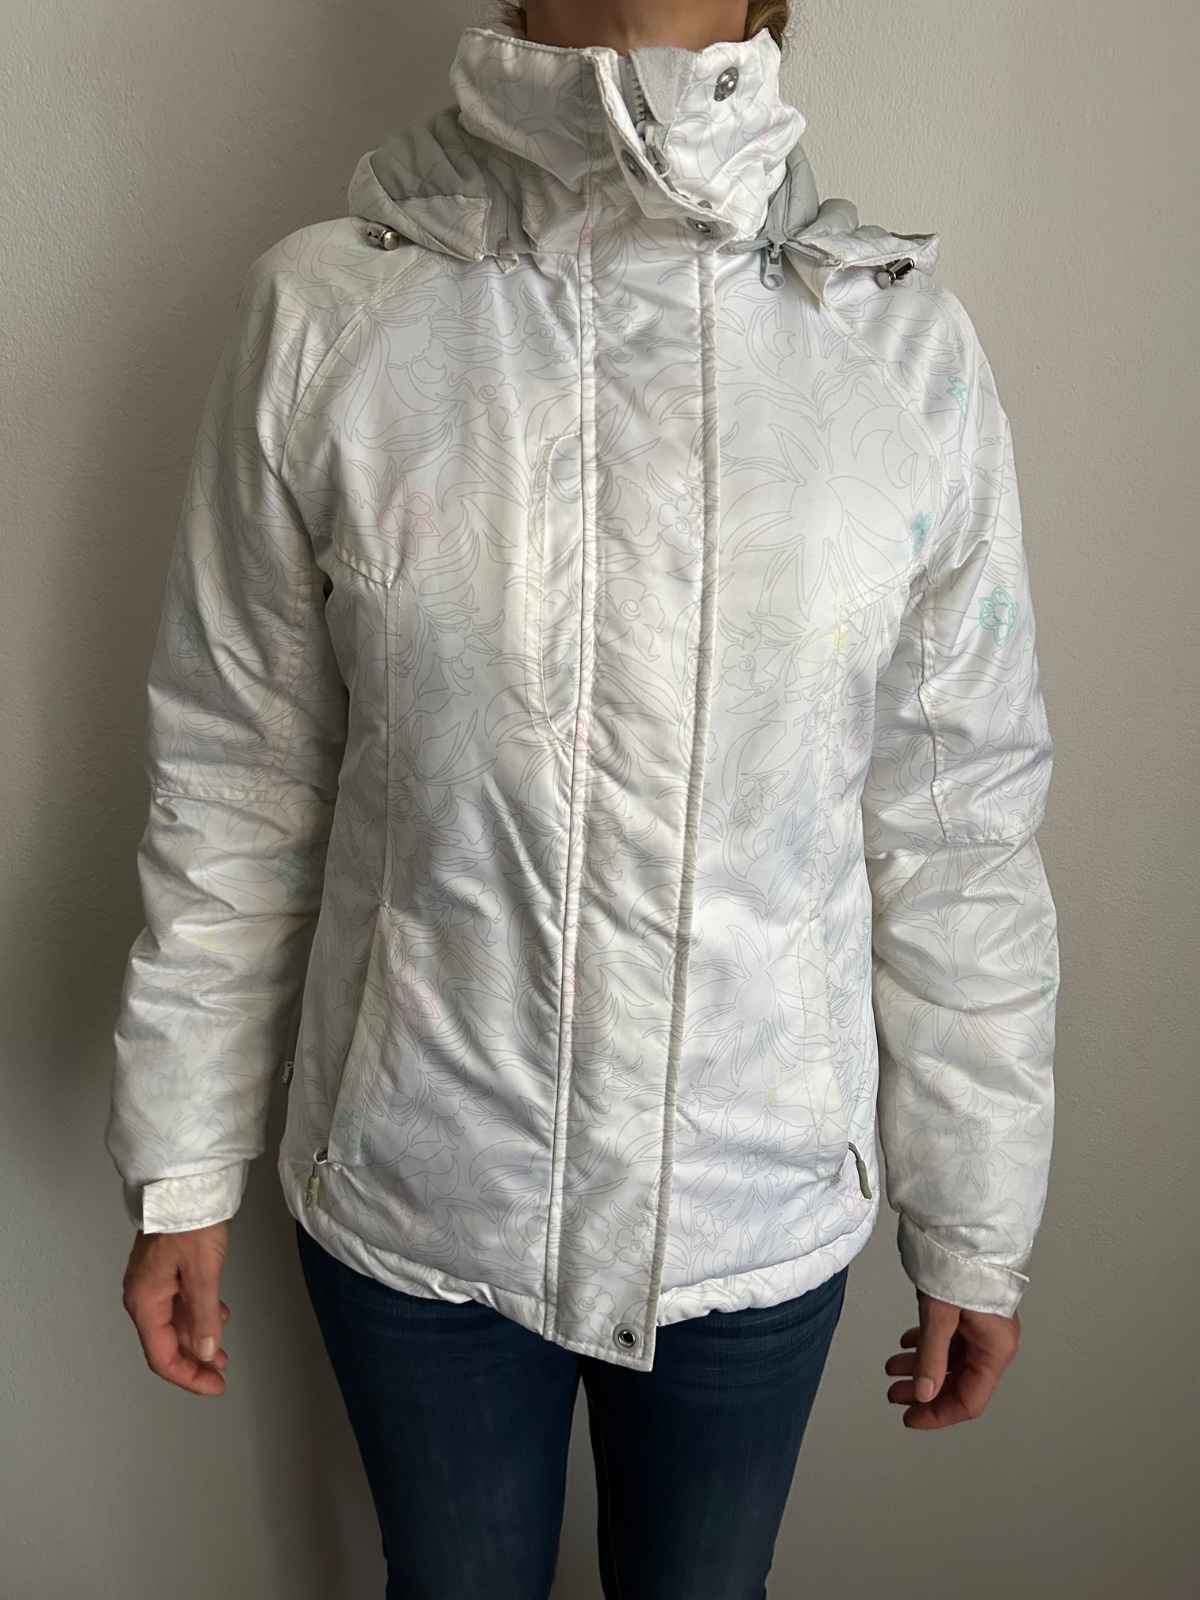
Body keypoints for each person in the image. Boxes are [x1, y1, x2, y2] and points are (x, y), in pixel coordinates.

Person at [108, 1, 1060, 1595]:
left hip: (757, 1206)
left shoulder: (900, 357)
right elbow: (237, 778)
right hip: (423, 1189)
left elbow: (957, 825)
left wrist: (975, 1210)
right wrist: (182, 1157)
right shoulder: (330, 315)